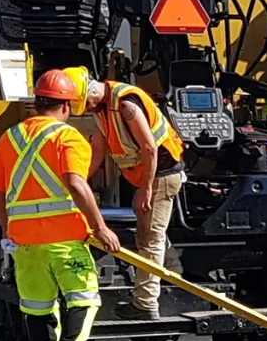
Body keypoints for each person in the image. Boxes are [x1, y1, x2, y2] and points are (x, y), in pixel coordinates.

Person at [0, 68, 124, 341]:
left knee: (38, 308)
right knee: (83, 302)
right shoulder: (68, 138)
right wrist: (101, 227)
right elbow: (77, 184)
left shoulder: (10, 137)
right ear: (67, 106)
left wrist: (8, 227)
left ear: (37, 102)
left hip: (24, 242)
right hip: (65, 240)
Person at [75, 71, 186, 320]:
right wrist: (78, 180)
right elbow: (98, 151)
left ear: (92, 93)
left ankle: (145, 304)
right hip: (151, 176)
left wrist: (145, 189)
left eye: (87, 104)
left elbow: (149, 147)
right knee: (150, 230)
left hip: (161, 175)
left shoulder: (125, 104)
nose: (87, 109)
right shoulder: (103, 110)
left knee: (149, 238)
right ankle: (173, 270)